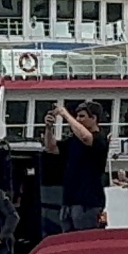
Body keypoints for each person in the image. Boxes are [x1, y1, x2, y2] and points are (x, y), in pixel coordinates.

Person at [42, 100, 108, 234]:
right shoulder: (73, 141)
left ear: (94, 118)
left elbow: (85, 136)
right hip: (69, 201)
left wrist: (65, 114)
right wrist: (49, 128)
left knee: (86, 240)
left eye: (82, 116)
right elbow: (51, 148)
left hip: (88, 203)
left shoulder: (100, 138)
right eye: (77, 116)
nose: (78, 119)